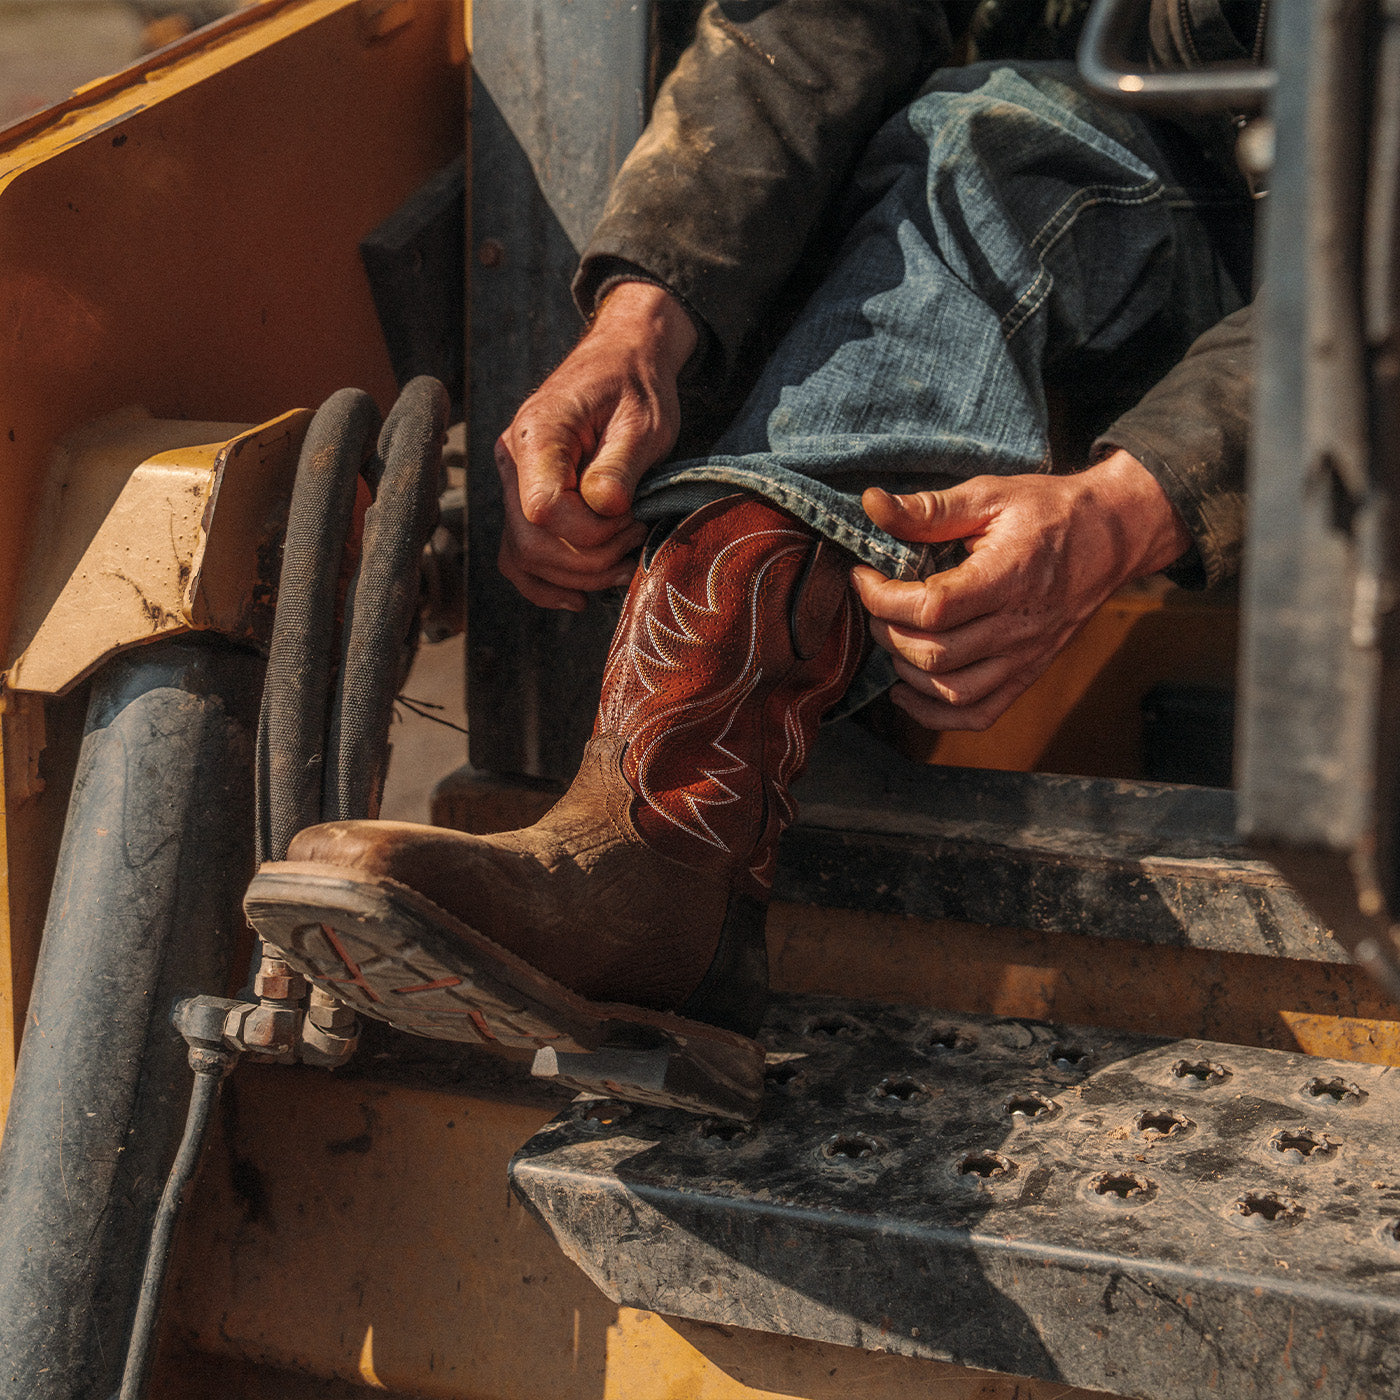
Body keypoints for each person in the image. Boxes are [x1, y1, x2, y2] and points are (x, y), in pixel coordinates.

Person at [245, 0, 1260, 1111]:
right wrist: (642, 313)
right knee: (980, 144)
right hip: (1155, 174)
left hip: (1351, 246)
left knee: (991, 132)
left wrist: (1136, 497)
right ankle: (664, 853)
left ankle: (667, 881)